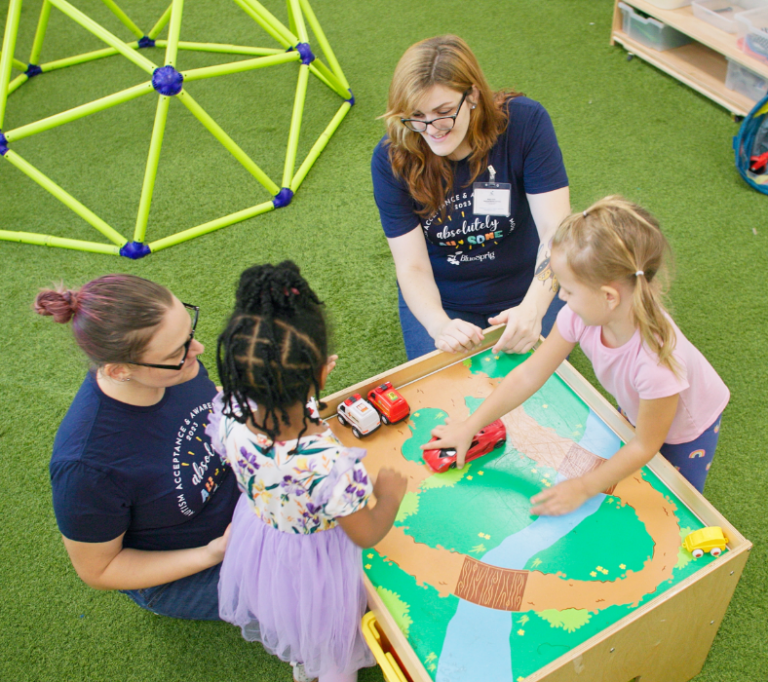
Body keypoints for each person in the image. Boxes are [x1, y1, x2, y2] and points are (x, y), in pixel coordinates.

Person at [425, 197, 729, 514]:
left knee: (673, 503)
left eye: (568, 289)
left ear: (608, 297)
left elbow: (645, 445)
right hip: (640, 405)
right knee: (630, 461)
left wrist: (582, 488)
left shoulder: (656, 365)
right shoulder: (580, 315)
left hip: (688, 430)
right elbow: (529, 374)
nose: (561, 296)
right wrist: (470, 426)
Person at [207, 261, 407, 682]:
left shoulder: (227, 411)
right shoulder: (332, 466)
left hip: (263, 541)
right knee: (330, 637)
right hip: (320, 560)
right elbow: (366, 533)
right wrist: (389, 494)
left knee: (295, 619)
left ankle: (306, 665)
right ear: (321, 371)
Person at [36, 274, 238, 620]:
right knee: (323, 582)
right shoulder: (87, 467)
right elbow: (100, 570)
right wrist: (215, 552)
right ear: (118, 370)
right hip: (183, 571)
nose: (198, 350)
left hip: (239, 508)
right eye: (178, 351)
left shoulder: (175, 369)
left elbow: (210, 401)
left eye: (189, 332)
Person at [371, 34, 571, 360]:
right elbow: (412, 266)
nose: (432, 128)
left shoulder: (525, 123)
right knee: (446, 394)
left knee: (537, 388)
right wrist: (439, 325)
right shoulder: (392, 158)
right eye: (416, 115)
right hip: (445, 298)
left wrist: (533, 308)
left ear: (473, 94)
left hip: (527, 285)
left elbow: (556, 231)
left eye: (444, 111)